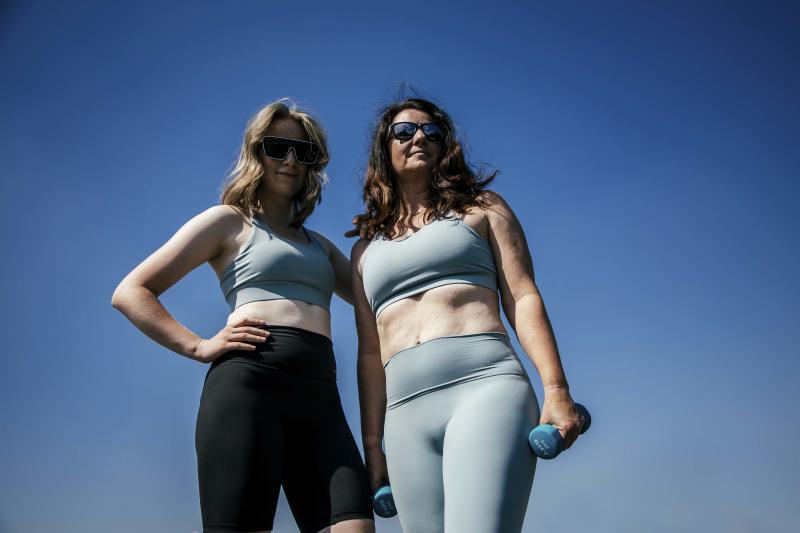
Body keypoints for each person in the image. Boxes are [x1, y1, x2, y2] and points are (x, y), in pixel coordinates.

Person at [112, 100, 375, 533]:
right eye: (277, 148)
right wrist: (197, 346)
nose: (290, 160)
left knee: (355, 524)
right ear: (256, 152)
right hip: (248, 389)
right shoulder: (228, 222)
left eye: (303, 151)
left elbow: (377, 299)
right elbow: (131, 291)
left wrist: (384, 236)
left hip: (321, 399)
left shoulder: (322, 246)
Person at [347, 97, 584, 532]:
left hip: (484, 390)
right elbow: (368, 352)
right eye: (405, 131)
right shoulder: (364, 251)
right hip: (404, 416)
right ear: (384, 148)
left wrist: (556, 389)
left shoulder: (482, 209)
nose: (419, 137)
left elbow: (523, 297)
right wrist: (374, 446)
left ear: (445, 146)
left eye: (432, 131)